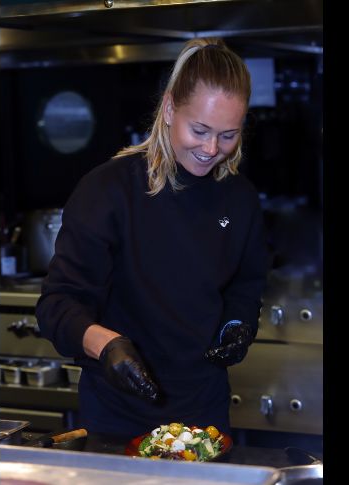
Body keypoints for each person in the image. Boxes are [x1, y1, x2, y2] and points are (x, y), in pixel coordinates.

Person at [35, 37, 268, 438]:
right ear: (168, 109)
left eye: (228, 135)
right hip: (117, 417)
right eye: (200, 129)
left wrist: (238, 324)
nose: (212, 148)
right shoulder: (108, 190)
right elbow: (58, 304)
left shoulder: (240, 199)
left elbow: (246, 286)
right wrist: (106, 345)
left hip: (204, 417)